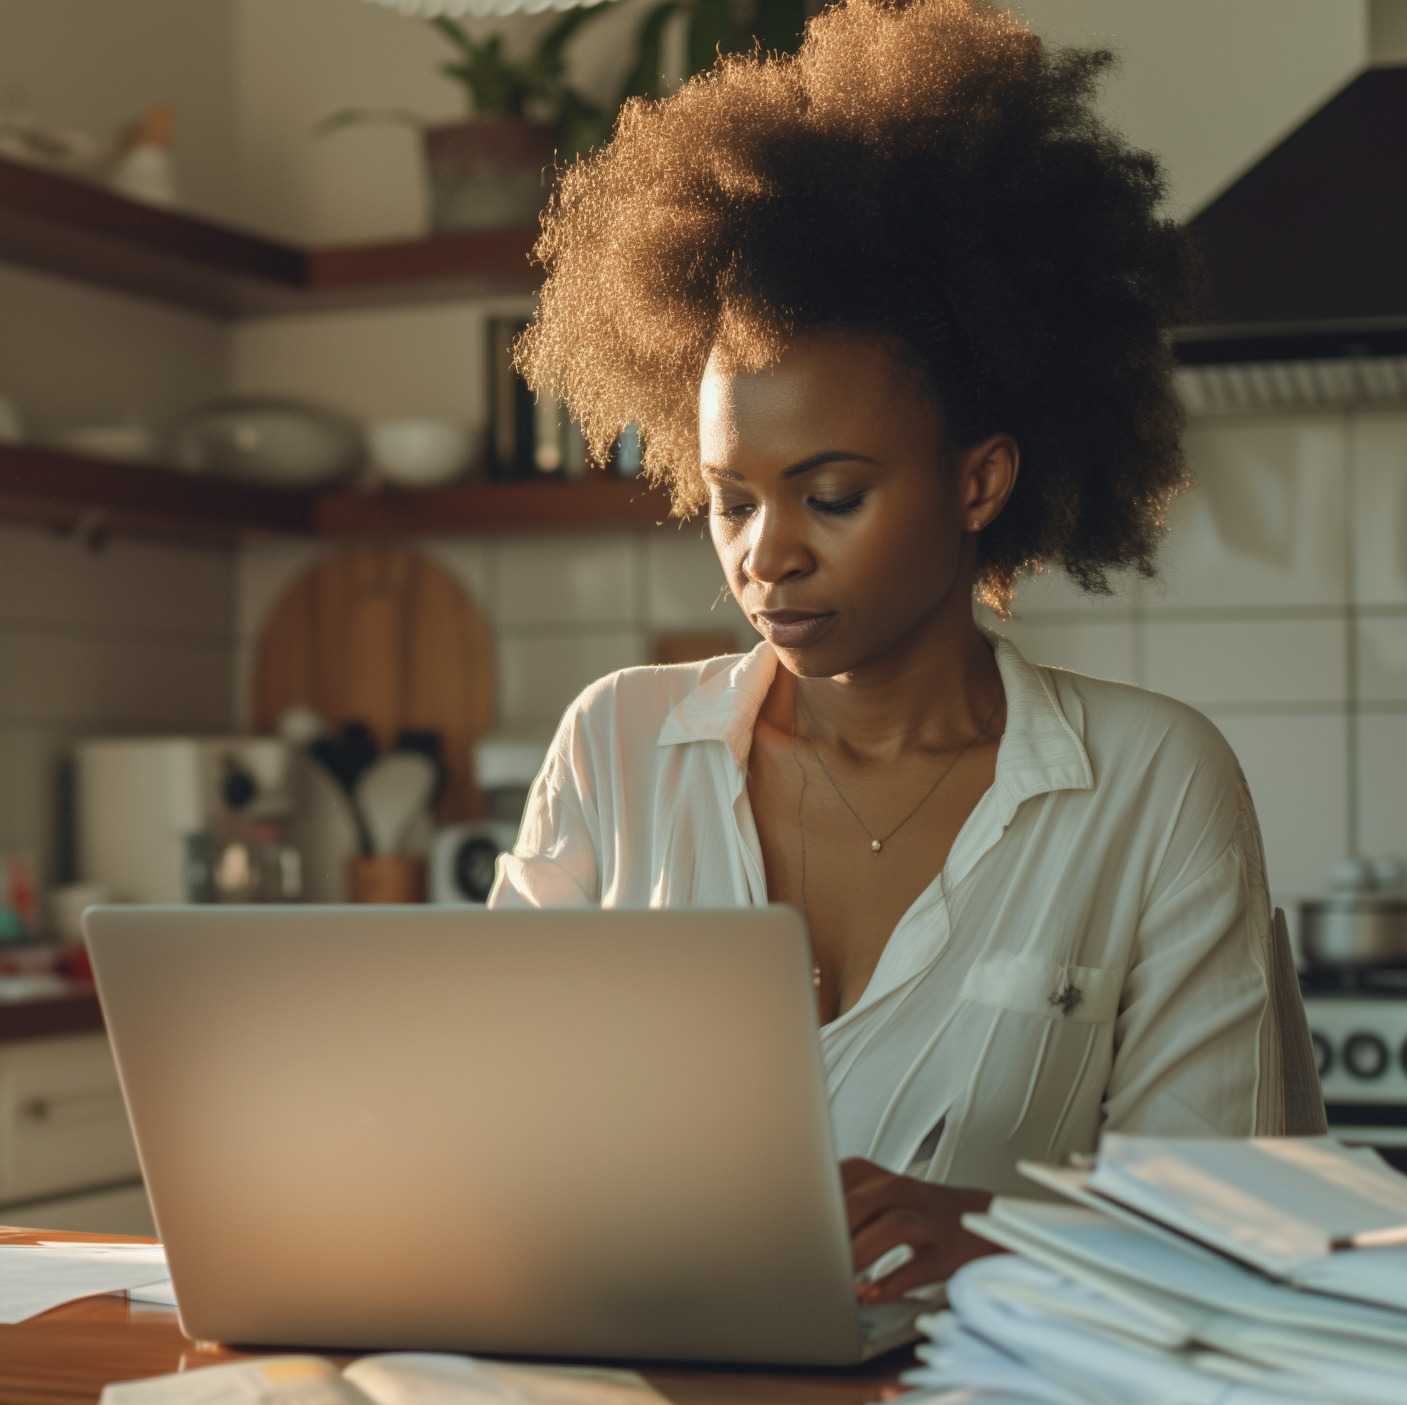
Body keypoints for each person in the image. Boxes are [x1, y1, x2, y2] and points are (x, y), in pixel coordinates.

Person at [491, 0, 1316, 1304]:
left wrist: (997, 1235)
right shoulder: (617, 747)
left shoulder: (1153, 785)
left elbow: (1238, 1227)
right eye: (731, 498)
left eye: (830, 494)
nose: (765, 555)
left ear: (979, 479)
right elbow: (496, 1145)